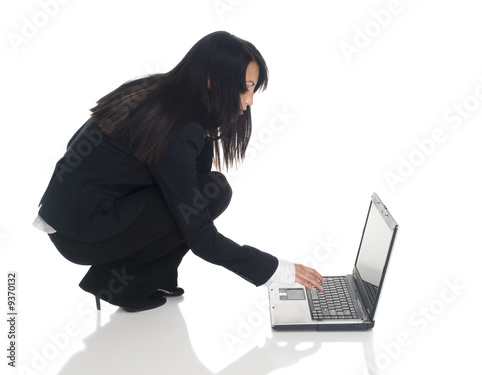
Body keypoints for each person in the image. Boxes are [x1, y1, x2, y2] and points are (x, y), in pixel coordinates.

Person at [33, 31, 323, 312]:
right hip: (82, 232)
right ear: (212, 82)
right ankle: (120, 285)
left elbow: (186, 183)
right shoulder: (177, 126)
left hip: (77, 214)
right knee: (212, 194)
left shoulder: (166, 94)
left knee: (210, 188)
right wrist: (278, 270)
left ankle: (143, 278)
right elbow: (201, 237)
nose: (249, 101)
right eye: (245, 87)